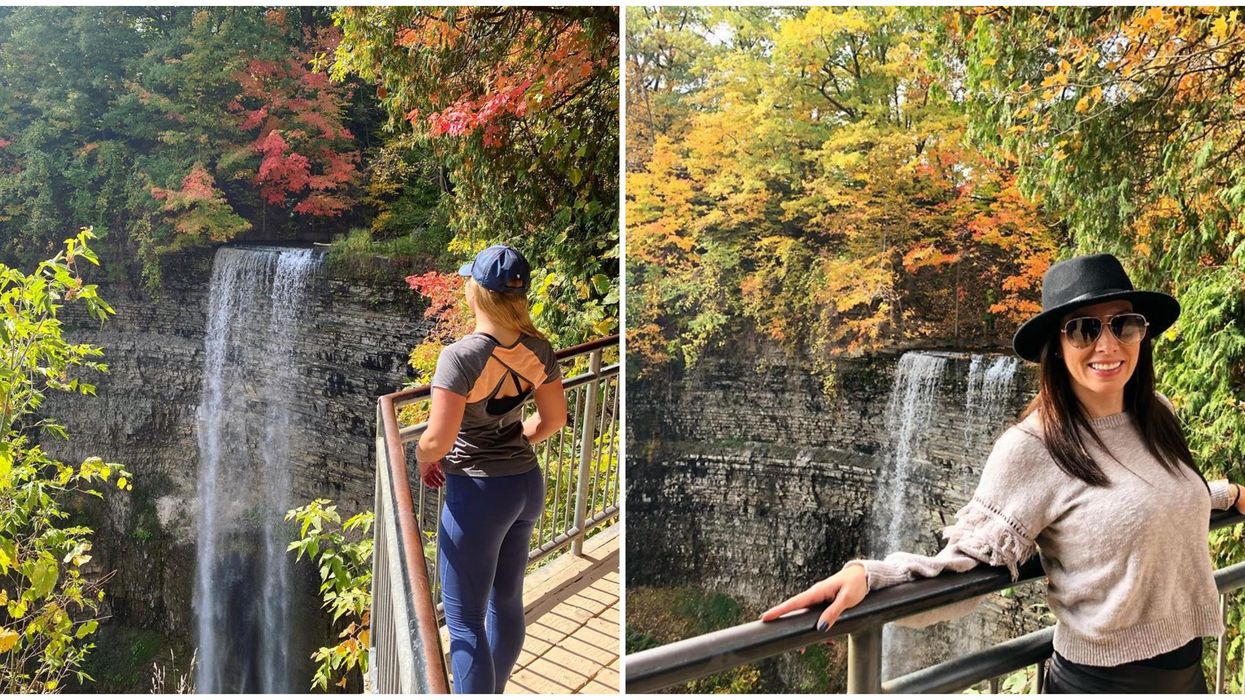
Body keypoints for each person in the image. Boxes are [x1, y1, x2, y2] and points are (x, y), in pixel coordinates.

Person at [761, 253, 1245, 693]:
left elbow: (1156, 495)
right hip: (1100, 682)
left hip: (1187, 673)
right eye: (1083, 329)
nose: (1108, 343)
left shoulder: (1156, 414)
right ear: (1056, 346)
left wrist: (1225, 495)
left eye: (1124, 324)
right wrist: (873, 576)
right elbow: (971, 557)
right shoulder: (1033, 446)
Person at [413, 244, 568, 694]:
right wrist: (518, 440)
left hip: (478, 495)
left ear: (478, 292)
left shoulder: (460, 357)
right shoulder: (539, 349)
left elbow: (438, 440)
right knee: (507, 601)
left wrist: (422, 457)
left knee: (464, 621)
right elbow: (554, 421)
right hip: (525, 486)